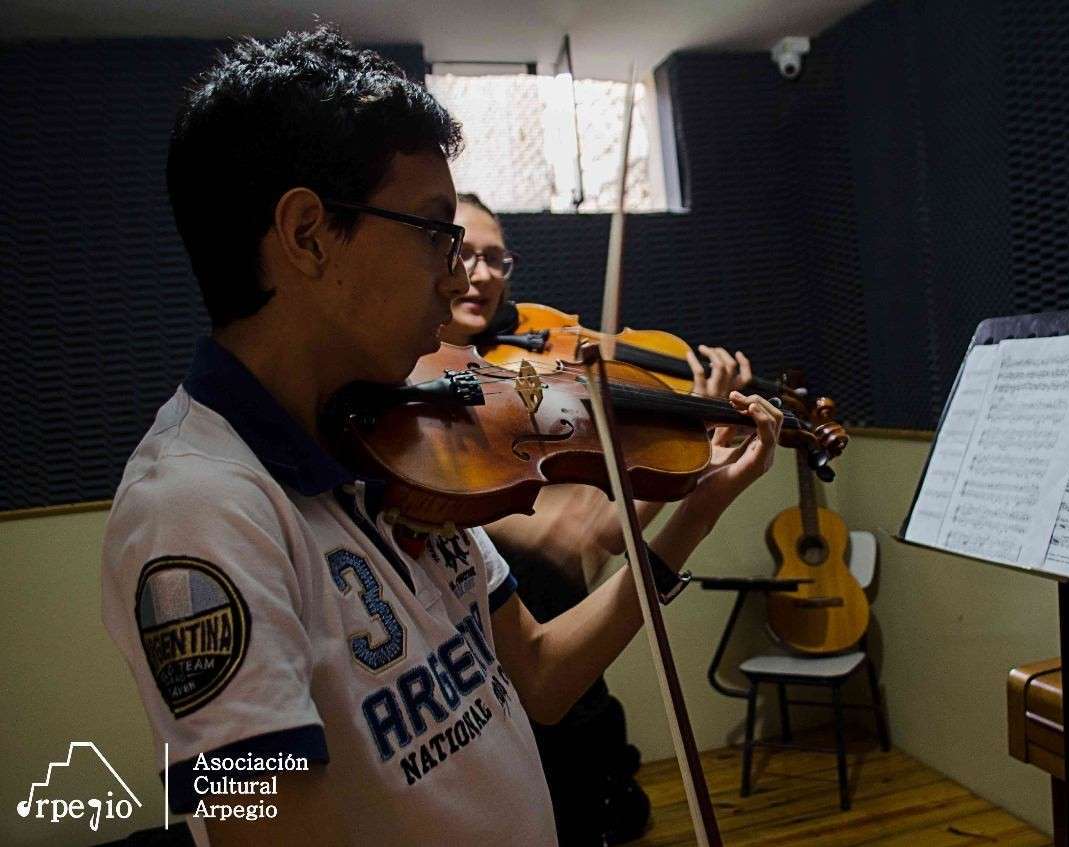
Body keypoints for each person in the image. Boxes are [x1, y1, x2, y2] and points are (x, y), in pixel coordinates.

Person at [99, 26, 781, 847]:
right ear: (308, 233)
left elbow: (543, 674)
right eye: (433, 232)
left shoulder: (405, 444)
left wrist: (697, 510)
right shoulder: (193, 511)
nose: (458, 276)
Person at [431, 194, 755, 844]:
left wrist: (692, 452)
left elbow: (602, 532)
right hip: (475, 703)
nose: (484, 274)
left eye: (497, 258)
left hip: (564, 665)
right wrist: (538, 524)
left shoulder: (522, 374)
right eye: (465, 253)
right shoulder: (405, 396)